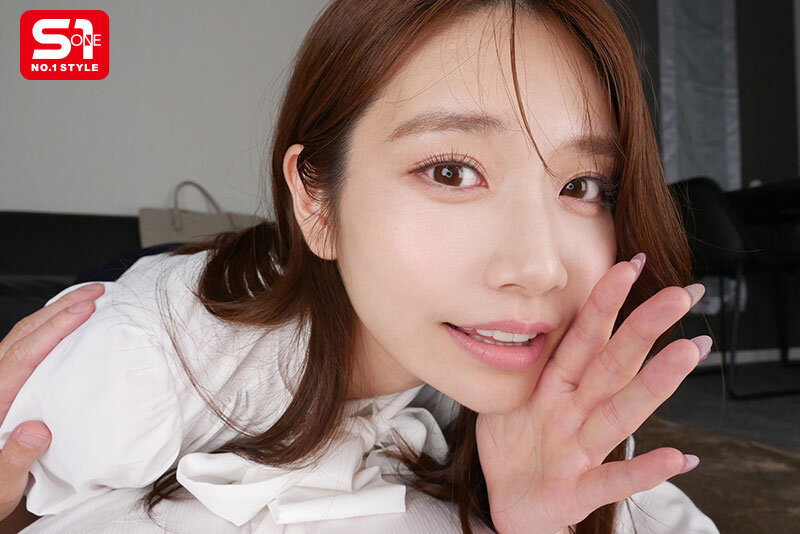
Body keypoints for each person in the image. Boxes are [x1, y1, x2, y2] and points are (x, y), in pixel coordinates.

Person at [0, 1, 722, 532]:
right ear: (315, 200)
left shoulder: (550, 386)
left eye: (583, 186)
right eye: (450, 171)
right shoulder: (141, 364)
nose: (539, 269)